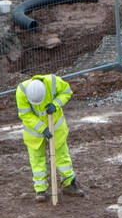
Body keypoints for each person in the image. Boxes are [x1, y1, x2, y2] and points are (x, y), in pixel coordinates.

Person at [17, 74, 84, 202]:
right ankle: (40, 189)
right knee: (37, 159)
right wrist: (42, 128)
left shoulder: (53, 82)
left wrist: (56, 104)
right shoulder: (21, 91)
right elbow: (25, 115)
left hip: (56, 125)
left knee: (62, 155)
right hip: (34, 131)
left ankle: (69, 184)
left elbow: (66, 91)